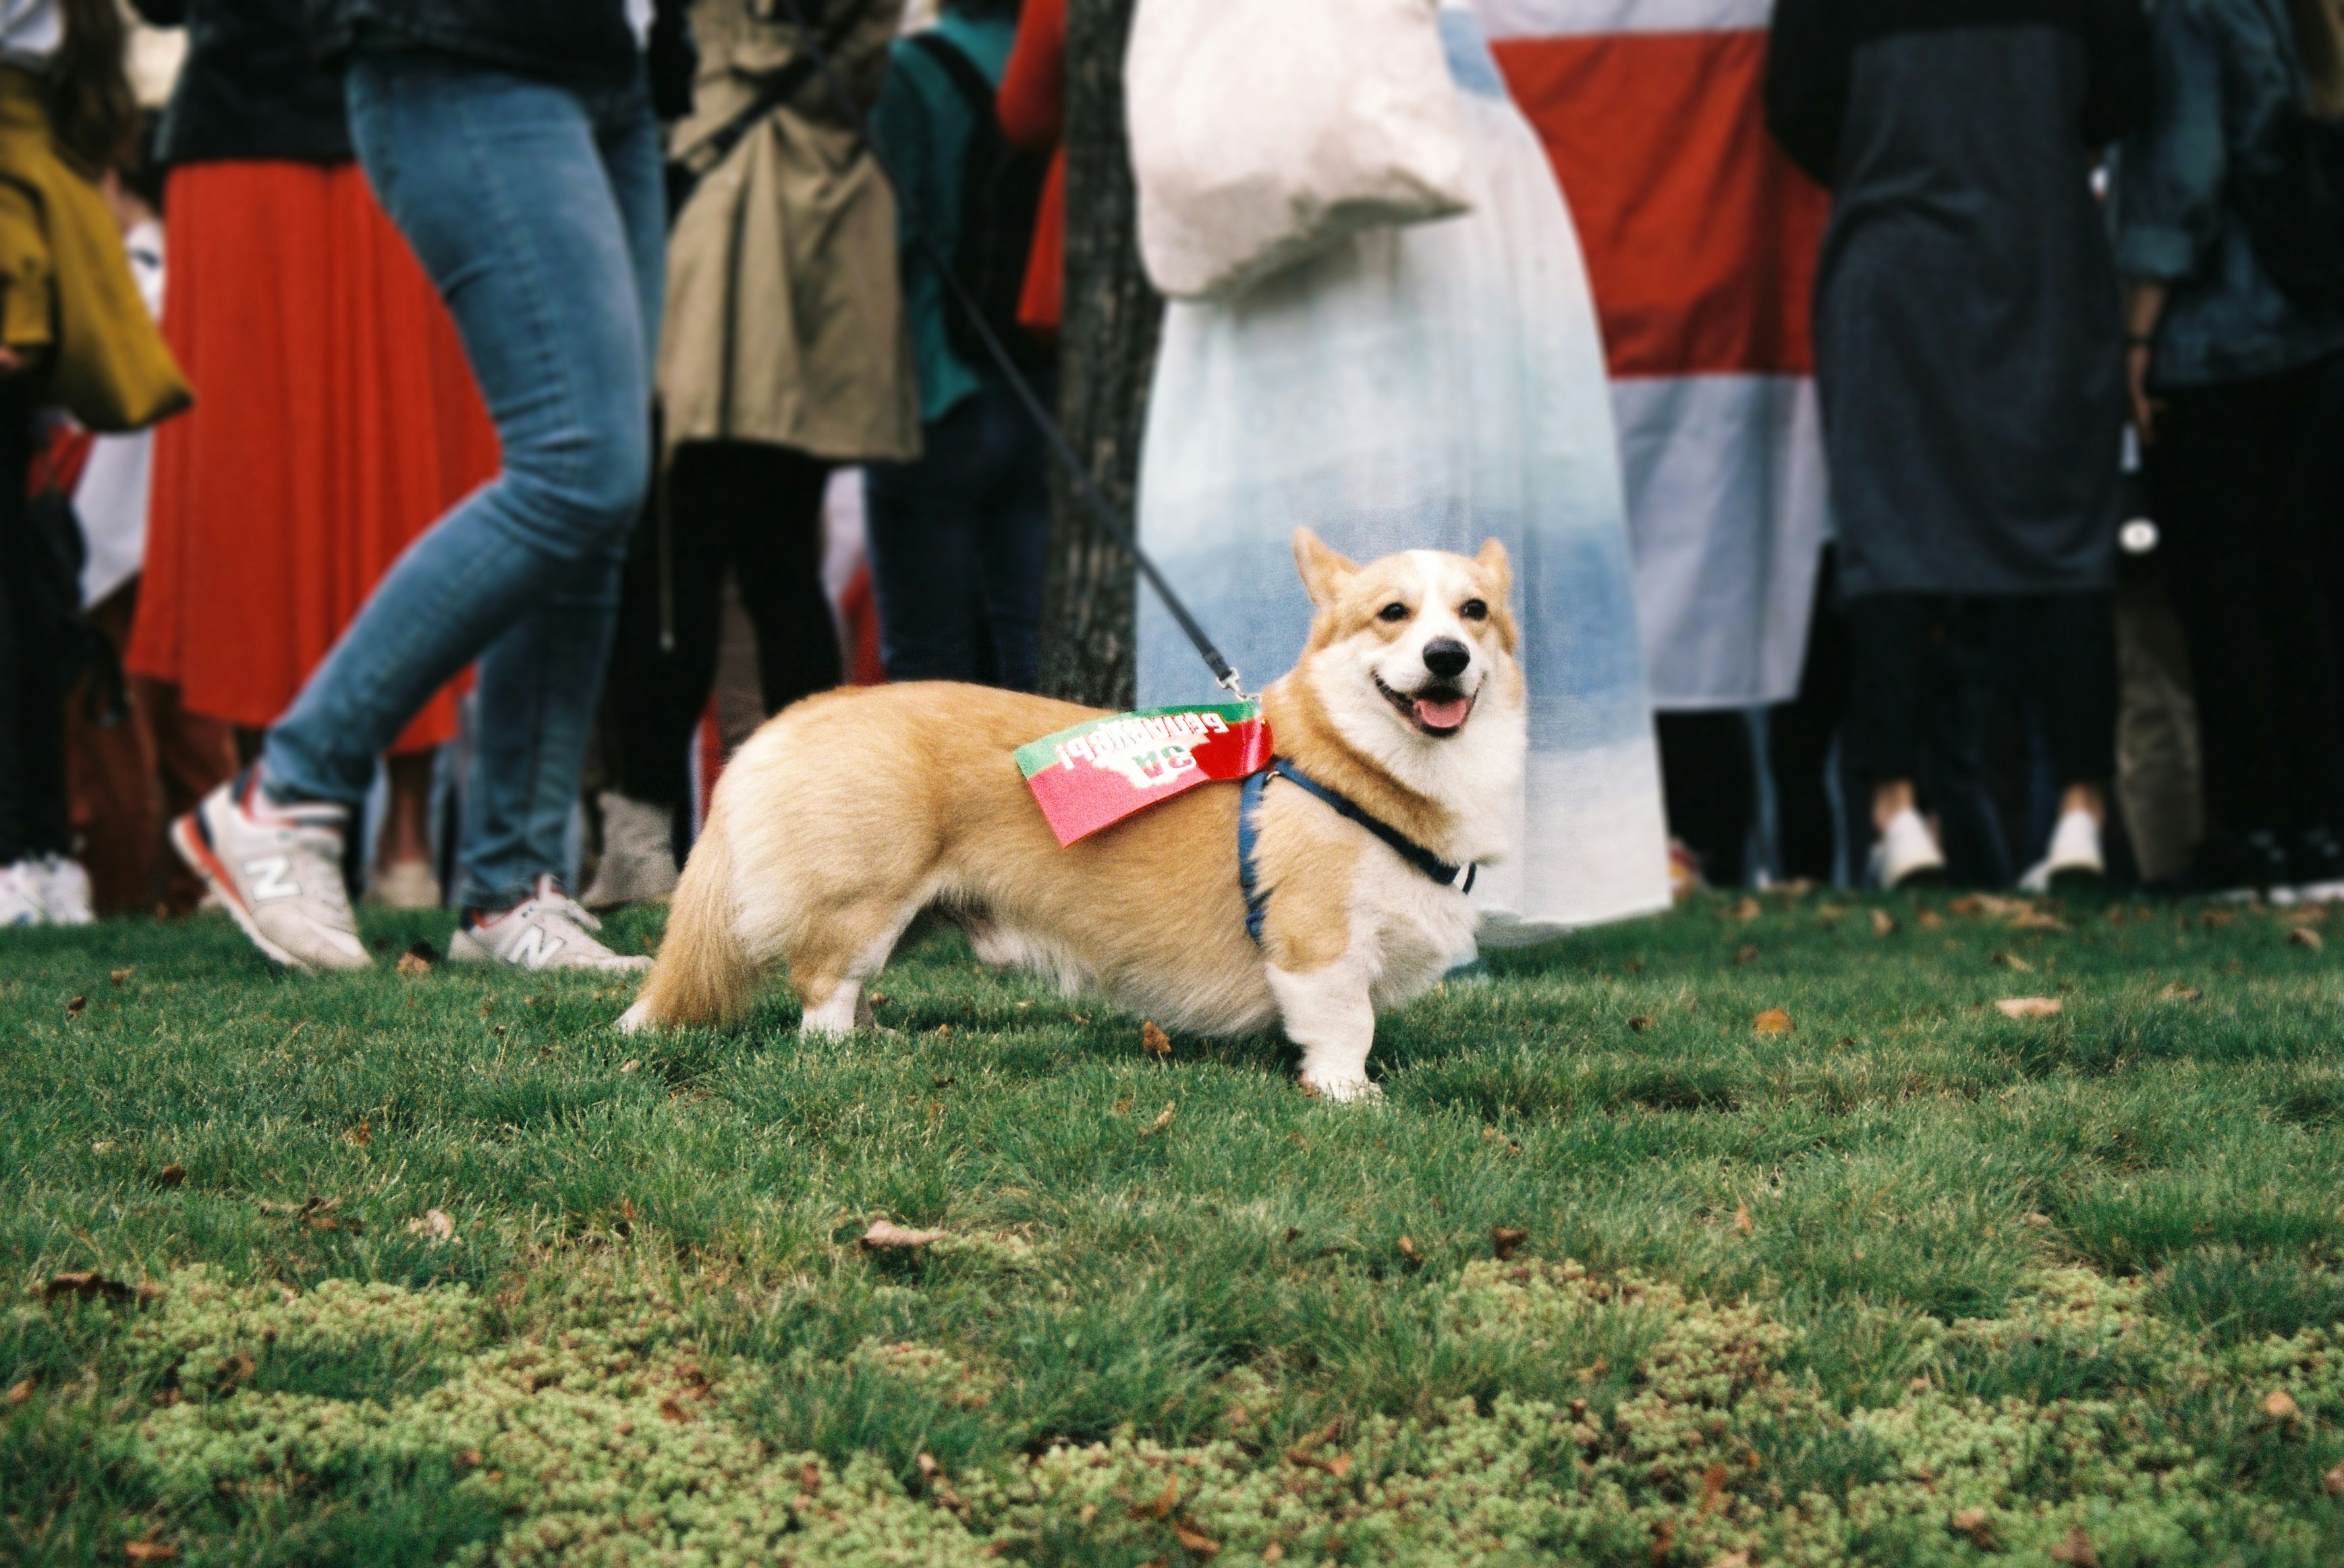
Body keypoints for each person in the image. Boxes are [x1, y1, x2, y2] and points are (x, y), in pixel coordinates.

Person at [1133, 0, 1673, 936]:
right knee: (1373, 485)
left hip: (1377, 116)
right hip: (1302, 124)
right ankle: (1249, 865)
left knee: (1408, 486)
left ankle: (1418, 864)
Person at [170, 0, 673, 972]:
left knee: (595, 499)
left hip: (610, 67)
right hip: (457, 46)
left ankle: (506, 896)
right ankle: (282, 791)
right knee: (578, 469)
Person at [123, 0, 500, 913]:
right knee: (288, 481)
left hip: (364, 125)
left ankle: (353, 824)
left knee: (359, 480)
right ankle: (324, 821)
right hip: (297, 133)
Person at [1766, 0, 2150, 891]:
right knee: (2064, 539)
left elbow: (1794, 109)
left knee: (1890, 540)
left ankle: (1898, 816)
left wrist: (1885, 160)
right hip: (2042, 252)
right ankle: (2078, 817)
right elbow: (2129, 88)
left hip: (1891, 260)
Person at [584, 0, 915, 911]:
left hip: (732, 230)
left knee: (686, 556)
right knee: (769, 561)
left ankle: (652, 841)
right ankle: (797, 839)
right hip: (805, 233)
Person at [2119, 0, 2344, 897]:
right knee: (2303, 595)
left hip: (2214, 340)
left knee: (2222, 604)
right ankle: (2317, 834)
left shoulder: (2185, 8)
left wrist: (2136, 337)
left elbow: (2183, 168)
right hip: (2313, 328)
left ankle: (2248, 833)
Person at [0, 0, 190, 926]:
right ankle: (33, 853)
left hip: (19, 203)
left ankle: (26, 852)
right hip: (33, 198)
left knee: (21, 582)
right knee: (23, 572)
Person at [863, 0, 1052, 689]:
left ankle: (940, 801)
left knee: (927, 663)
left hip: (934, 390)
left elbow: (881, 235)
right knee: (1034, 649)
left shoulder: (910, 70)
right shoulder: (1055, 60)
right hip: (1040, 389)